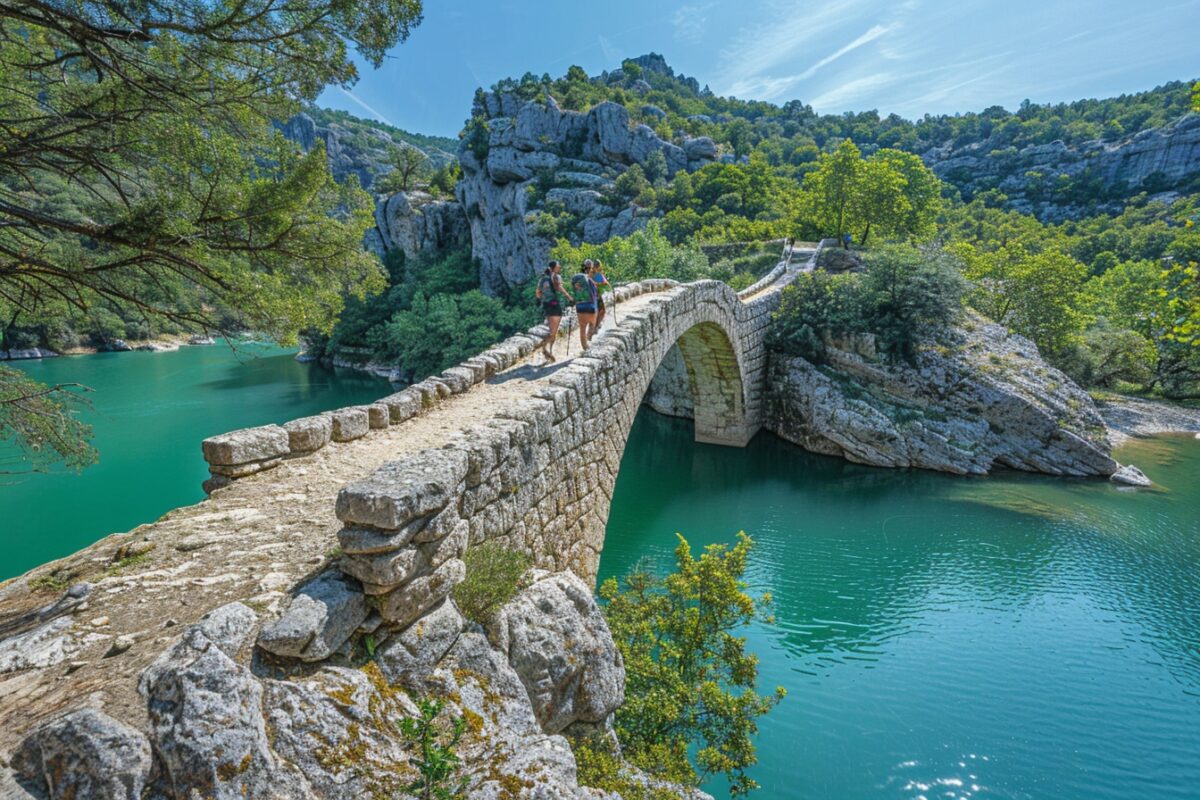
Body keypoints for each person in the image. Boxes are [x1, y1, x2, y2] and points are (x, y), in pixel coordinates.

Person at [535, 260, 573, 362]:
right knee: (553, 331)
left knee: (552, 329)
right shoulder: (555, 277)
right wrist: (570, 298)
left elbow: (538, 293)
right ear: (554, 268)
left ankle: (548, 351)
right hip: (555, 305)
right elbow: (560, 288)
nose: (560, 267)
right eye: (558, 266)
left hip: (546, 306)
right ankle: (546, 349)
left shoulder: (542, 279)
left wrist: (542, 298)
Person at [571, 260, 598, 350]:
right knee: (592, 324)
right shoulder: (589, 279)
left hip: (579, 306)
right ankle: (588, 341)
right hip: (590, 305)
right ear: (590, 268)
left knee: (582, 328)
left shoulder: (576, 278)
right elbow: (595, 293)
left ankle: (585, 347)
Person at [590, 258, 610, 337]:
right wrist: (602, 283)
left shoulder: (592, 274)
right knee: (602, 310)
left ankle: (595, 327)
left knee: (599, 311)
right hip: (596, 295)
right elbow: (604, 283)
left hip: (592, 295)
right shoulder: (596, 274)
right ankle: (596, 327)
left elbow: (604, 281)